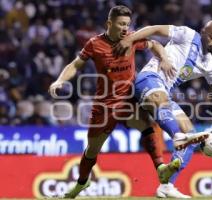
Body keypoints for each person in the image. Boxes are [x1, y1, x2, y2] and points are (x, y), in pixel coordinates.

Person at [113, 20, 212, 198]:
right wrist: (130, 39)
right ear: (203, 32)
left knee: (192, 136)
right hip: (148, 79)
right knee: (177, 126)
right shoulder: (188, 35)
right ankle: (177, 137)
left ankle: (167, 186)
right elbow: (156, 29)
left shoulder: (210, 64)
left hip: (164, 93)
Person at [49, 5, 180, 199]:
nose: (125, 28)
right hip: (105, 105)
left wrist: (165, 59)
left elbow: (155, 45)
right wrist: (60, 80)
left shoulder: (132, 39)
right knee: (92, 150)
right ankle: (81, 183)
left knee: (148, 125)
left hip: (129, 99)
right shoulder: (94, 44)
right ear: (109, 23)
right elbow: (75, 64)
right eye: (121, 24)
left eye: (127, 24)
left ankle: (161, 168)